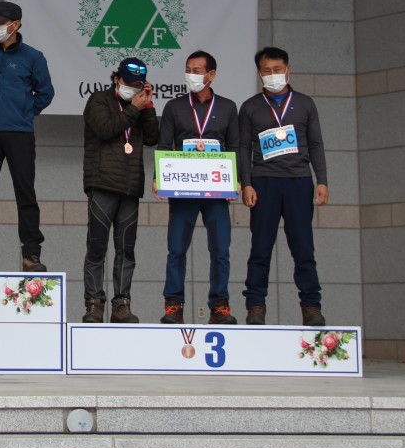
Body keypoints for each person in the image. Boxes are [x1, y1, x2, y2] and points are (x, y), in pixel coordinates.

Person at [238, 46, 329, 327]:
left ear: (288, 70)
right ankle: (255, 305)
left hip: (299, 181)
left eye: (277, 70)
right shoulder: (250, 107)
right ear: (259, 73)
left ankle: (311, 306)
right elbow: (243, 148)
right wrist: (246, 183)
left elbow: (315, 143)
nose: (273, 75)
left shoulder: (305, 103)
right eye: (267, 71)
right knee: (260, 248)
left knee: (303, 248)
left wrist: (322, 180)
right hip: (263, 182)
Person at [0, 1, 54, 272]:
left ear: (16, 25)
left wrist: (25, 112)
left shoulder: (33, 57)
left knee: (25, 194)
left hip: (19, 133)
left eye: (0, 23)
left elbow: (46, 93)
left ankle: (31, 254)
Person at [157, 50, 240, 326]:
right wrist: (158, 177)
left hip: (217, 190)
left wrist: (237, 178)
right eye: (188, 69)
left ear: (211, 75)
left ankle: (220, 307)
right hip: (184, 188)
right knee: (176, 249)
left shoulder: (227, 107)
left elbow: (235, 145)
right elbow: (164, 145)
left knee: (221, 250)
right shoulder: (174, 107)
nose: (191, 75)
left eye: (197, 70)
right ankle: (173, 305)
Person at [81, 58, 158, 323]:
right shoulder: (99, 100)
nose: (133, 89)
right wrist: (134, 109)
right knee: (96, 247)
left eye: (138, 85)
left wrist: (147, 106)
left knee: (126, 249)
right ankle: (94, 303)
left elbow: (153, 137)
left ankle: (121, 304)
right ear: (116, 79)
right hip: (102, 183)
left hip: (130, 186)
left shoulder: (140, 106)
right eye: (128, 83)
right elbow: (105, 130)